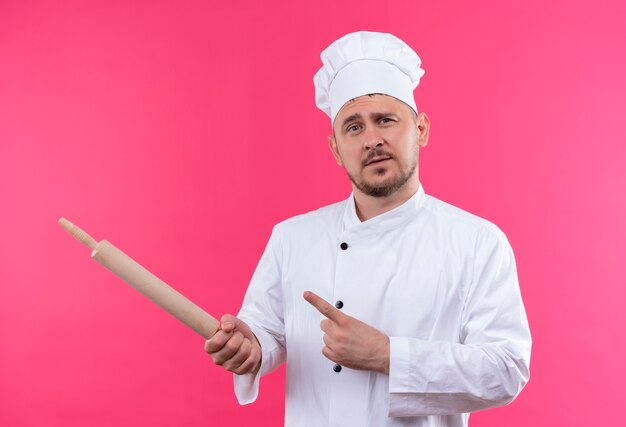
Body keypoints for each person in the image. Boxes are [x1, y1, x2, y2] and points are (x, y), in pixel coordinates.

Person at [204, 31, 531, 427]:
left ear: (421, 129)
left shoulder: (477, 243)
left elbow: (506, 369)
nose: (372, 139)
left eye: (386, 120)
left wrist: (387, 355)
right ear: (336, 149)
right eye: (353, 128)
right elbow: (265, 334)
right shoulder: (292, 238)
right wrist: (249, 346)